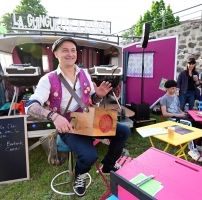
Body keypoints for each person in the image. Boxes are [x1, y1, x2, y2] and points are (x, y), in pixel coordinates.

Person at [25, 37, 130, 197]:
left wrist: (98, 96)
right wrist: (53, 116)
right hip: (68, 125)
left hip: (88, 120)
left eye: (73, 50)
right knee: (89, 156)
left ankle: (109, 164)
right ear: (56, 54)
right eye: (65, 50)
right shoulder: (48, 79)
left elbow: (91, 99)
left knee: (123, 131)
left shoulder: (85, 74)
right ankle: (79, 175)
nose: (70, 53)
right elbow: (30, 106)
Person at [160, 80, 202, 162]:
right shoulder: (164, 98)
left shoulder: (175, 97)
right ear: (167, 89)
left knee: (196, 121)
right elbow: (165, 114)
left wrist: (183, 113)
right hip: (172, 119)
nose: (174, 90)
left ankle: (196, 144)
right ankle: (192, 149)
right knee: (190, 123)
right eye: (172, 88)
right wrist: (180, 115)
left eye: (175, 88)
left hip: (179, 115)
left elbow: (178, 108)